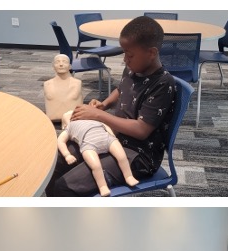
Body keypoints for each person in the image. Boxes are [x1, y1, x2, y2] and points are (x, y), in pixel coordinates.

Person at [46, 16, 176, 196]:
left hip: (138, 155)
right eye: (124, 53)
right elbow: (121, 89)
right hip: (111, 135)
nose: (125, 59)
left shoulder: (163, 84)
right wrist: (104, 104)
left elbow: (141, 130)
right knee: (55, 162)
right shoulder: (133, 69)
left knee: (65, 186)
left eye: (129, 55)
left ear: (152, 53)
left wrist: (98, 116)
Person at [44, 54, 83, 122]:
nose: (61, 64)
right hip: (52, 121)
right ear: (53, 66)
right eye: (57, 62)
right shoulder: (47, 84)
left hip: (73, 121)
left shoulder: (77, 83)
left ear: (70, 66)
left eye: (64, 61)